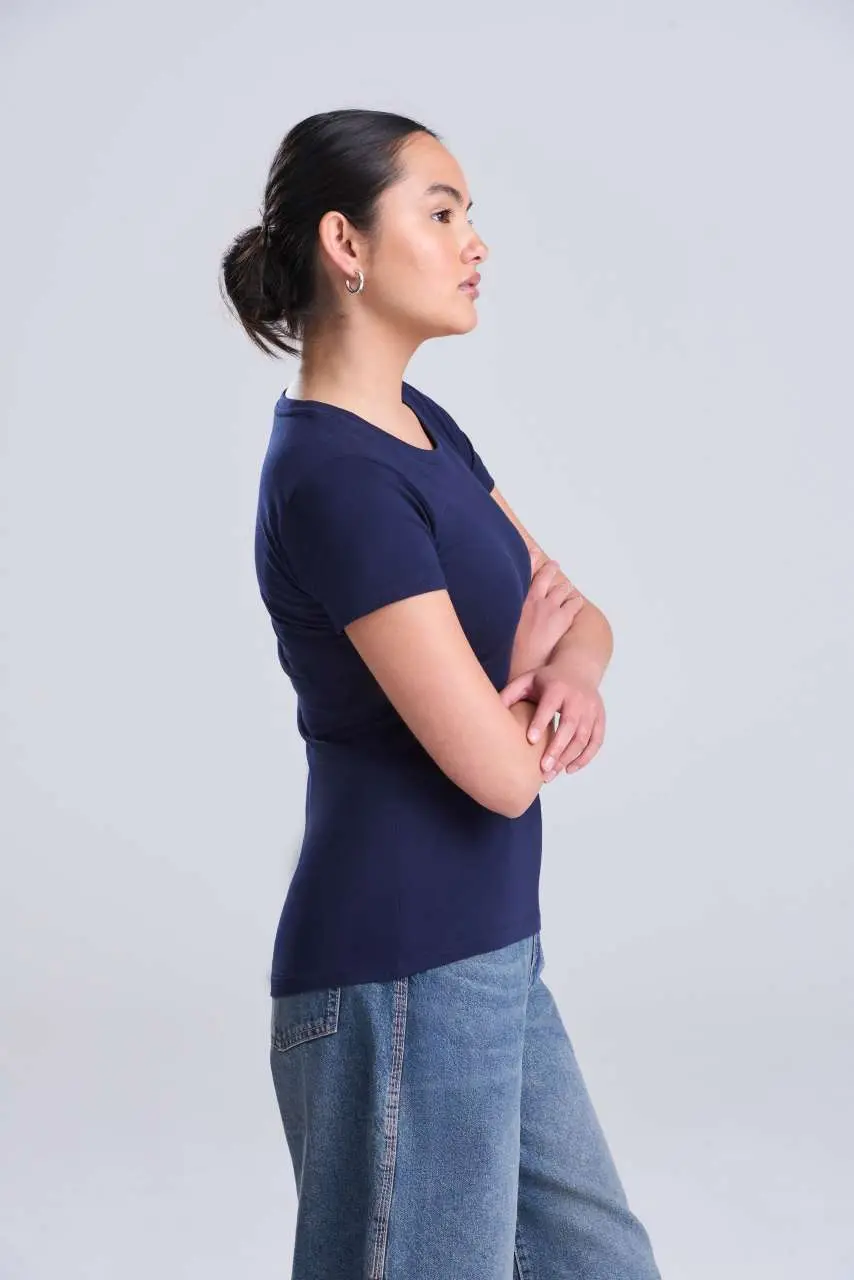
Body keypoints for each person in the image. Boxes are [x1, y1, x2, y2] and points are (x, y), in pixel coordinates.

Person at [219, 108, 662, 1280]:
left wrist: (564, 670)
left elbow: (583, 616)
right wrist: (529, 677)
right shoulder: (335, 478)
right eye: (441, 210)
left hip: (488, 953)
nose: (475, 242)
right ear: (345, 243)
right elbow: (500, 776)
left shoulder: (424, 432)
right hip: (396, 970)